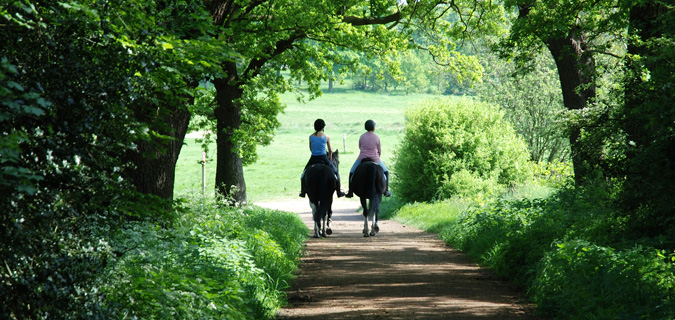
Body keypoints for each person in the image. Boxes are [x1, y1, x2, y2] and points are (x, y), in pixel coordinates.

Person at [299, 119, 345, 198]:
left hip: (313, 157)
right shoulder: (326, 137)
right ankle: (338, 191)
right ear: (323, 127)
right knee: (336, 172)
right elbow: (330, 150)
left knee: (304, 173)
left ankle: (303, 191)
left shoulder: (311, 137)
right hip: (324, 157)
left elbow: (311, 149)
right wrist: (330, 157)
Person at [345, 119, 392, 198]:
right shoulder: (377, 137)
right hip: (375, 158)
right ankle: (386, 190)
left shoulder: (362, 136)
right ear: (373, 127)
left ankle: (350, 191)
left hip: (362, 158)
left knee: (352, 172)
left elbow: (360, 147)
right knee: (386, 171)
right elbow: (379, 150)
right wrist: (377, 157)